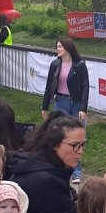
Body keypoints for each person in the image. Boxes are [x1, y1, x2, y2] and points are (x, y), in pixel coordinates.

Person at [41, 36, 89, 183]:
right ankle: (59, 167)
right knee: (60, 135)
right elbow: (49, 86)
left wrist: (83, 108)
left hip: (75, 103)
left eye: (60, 46)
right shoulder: (55, 64)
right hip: (60, 101)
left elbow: (85, 87)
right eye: (57, 46)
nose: (57, 49)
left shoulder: (80, 65)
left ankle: (76, 172)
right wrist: (45, 107)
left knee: (76, 137)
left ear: (67, 48)